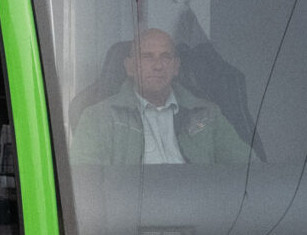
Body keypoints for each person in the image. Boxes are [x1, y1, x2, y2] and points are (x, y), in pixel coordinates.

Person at [71, 29, 251, 165]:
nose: (158, 66)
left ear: (176, 67)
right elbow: (86, 184)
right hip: (134, 212)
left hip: (198, 208)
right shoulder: (97, 118)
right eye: (147, 57)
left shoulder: (207, 114)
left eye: (165, 57)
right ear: (130, 67)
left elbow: (250, 170)